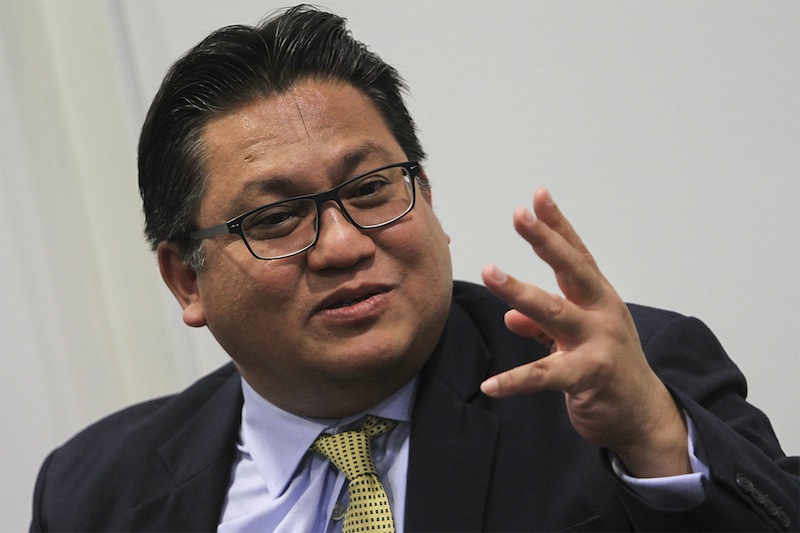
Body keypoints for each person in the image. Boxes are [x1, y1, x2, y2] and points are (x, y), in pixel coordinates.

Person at [30, 5, 797, 532]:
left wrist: (659, 441)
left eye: (370, 190)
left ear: (424, 196)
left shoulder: (622, 385)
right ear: (185, 279)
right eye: (275, 218)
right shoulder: (97, 489)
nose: (342, 245)